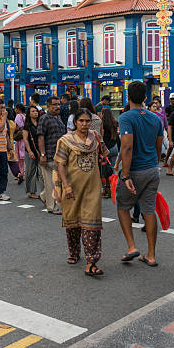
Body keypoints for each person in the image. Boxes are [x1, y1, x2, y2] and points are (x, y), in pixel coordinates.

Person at [55, 109, 108, 276]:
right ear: (75, 122)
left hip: (92, 188)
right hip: (72, 188)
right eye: (81, 121)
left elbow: (104, 155)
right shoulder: (66, 141)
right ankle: (74, 253)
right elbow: (61, 165)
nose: (85, 124)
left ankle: (91, 261)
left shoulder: (95, 137)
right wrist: (66, 186)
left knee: (92, 226)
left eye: (87, 121)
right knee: (73, 224)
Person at [116, 81, 164, 267]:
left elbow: (127, 147)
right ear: (146, 97)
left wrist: (125, 175)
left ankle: (131, 246)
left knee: (123, 207)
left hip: (135, 170)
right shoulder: (155, 118)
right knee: (149, 210)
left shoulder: (126, 117)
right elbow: (159, 145)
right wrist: (155, 162)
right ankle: (151, 255)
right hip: (152, 169)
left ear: (127, 97)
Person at [37, 96, 66, 214]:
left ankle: (44, 196)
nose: (57, 107)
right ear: (48, 106)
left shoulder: (58, 118)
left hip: (59, 156)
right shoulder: (44, 118)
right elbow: (40, 136)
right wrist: (42, 154)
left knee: (57, 181)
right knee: (50, 182)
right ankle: (51, 207)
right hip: (49, 155)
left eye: (58, 104)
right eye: (54, 104)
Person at [22, 105, 43, 199]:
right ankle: (31, 191)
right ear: (29, 114)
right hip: (30, 150)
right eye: (33, 111)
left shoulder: (41, 123)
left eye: (36, 111)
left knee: (41, 172)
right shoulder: (27, 126)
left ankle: (44, 191)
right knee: (31, 171)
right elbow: (25, 139)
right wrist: (30, 151)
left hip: (40, 150)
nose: (35, 113)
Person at [101, 108, 119, 199]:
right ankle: (114, 188)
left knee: (106, 171)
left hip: (106, 149)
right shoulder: (115, 122)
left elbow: (102, 137)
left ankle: (107, 189)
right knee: (112, 169)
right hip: (114, 147)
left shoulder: (103, 124)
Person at [14, 103, 26, 178]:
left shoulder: (18, 116)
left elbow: (17, 127)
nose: (15, 110)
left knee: (19, 157)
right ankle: (23, 172)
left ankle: (21, 173)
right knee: (23, 156)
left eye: (16, 108)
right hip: (24, 137)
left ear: (18, 109)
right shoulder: (24, 116)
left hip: (19, 138)